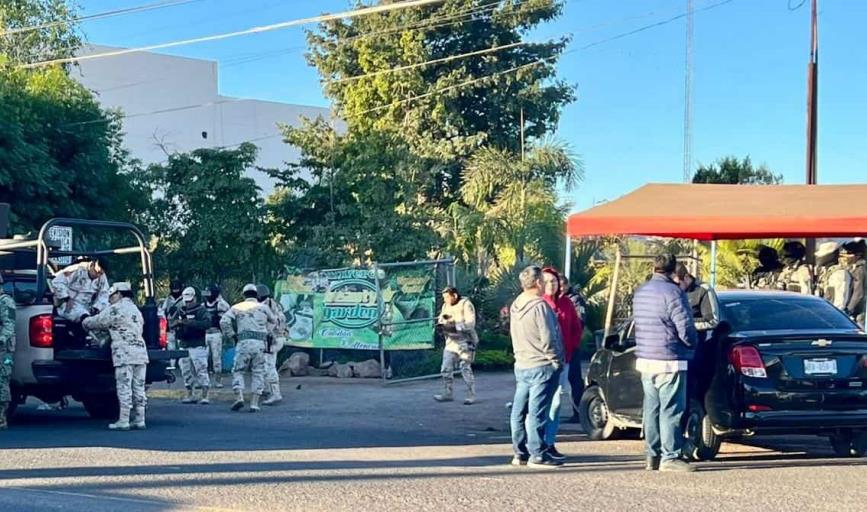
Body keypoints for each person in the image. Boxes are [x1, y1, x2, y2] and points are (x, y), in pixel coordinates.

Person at [633, 254, 698, 473]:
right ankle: (670, 456)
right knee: (671, 409)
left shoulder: (641, 291)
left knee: (651, 409)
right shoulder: (673, 293)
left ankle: (652, 455)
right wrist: (692, 344)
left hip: (645, 358)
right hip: (669, 358)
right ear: (673, 272)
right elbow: (686, 329)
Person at [509, 265, 564, 468]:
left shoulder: (516, 304)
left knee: (519, 411)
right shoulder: (540, 306)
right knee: (537, 412)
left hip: (522, 364)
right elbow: (549, 338)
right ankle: (538, 454)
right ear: (538, 282)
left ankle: (519, 452)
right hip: (541, 365)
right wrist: (556, 361)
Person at [82, 282, 149, 431]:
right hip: (140, 352)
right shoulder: (136, 310)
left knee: (124, 386)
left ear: (118, 294)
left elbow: (97, 321)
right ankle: (140, 419)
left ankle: (123, 420)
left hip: (124, 353)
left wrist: (84, 320)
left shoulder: (115, 309)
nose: (110, 299)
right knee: (139, 387)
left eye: (111, 296)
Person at [541, 268, 583, 461]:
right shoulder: (539, 303)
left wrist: (570, 348)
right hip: (541, 362)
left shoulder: (567, 303)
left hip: (563, 361)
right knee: (540, 403)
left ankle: (549, 442)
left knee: (556, 402)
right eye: (547, 281)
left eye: (554, 281)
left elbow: (576, 328)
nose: (552, 285)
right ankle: (536, 442)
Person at [221, 284, 276, 412]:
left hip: (243, 342)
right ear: (256, 295)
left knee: (238, 370)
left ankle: (239, 397)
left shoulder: (237, 307)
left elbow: (224, 321)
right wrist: (266, 331)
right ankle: (254, 403)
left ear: (244, 295)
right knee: (258, 372)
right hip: (260, 344)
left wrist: (231, 335)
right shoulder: (264, 308)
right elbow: (274, 321)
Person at [434, 286, 479, 405]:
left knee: (465, 367)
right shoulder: (446, 306)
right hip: (451, 341)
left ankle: (471, 394)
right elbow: (441, 319)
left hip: (465, 341)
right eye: (444, 298)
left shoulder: (466, 304)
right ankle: (447, 392)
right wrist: (441, 326)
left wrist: (455, 325)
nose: (445, 300)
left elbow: (470, 324)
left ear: (454, 295)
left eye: (447, 297)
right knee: (445, 367)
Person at [173, 287, 212, 405]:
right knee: (186, 371)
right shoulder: (180, 310)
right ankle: (190, 394)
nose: (188, 303)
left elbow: (207, 324)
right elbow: (172, 322)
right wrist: (177, 323)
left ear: (195, 298)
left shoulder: (201, 310)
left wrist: (189, 323)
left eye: (190, 300)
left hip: (197, 345)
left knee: (201, 369)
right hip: (184, 344)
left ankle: (205, 395)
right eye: (186, 301)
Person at [559, 275, 587, 423]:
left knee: (575, 379)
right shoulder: (556, 299)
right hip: (559, 346)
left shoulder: (575, 300)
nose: (561, 289)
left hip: (572, 345)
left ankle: (578, 412)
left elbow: (580, 321)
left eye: (563, 286)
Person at [51, 259, 110, 323]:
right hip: (70, 304)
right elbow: (57, 282)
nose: (98, 275)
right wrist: (66, 298)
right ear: (92, 264)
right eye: (96, 272)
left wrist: (97, 307)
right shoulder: (77, 269)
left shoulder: (101, 276)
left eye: (101, 274)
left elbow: (104, 293)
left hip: (89, 306)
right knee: (84, 318)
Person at [257, 284, 287, 406]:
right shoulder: (273, 304)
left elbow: (268, 326)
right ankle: (268, 389)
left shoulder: (266, 307)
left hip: (273, 339)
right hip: (278, 337)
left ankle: (275, 393)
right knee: (266, 364)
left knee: (269, 366)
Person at [203, 284, 231, 389]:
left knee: (216, 358)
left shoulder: (221, 304)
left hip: (216, 334)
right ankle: (205, 381)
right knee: (203, 358)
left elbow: (228, 315)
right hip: (205, 334)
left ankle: (218, 380)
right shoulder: (203, 305)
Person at [814, 242, 851, 311]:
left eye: (822, 256)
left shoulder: (839, 273)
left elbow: (840, 301)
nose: (818, 258)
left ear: (830, 256)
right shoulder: (825, 272)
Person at [0, 275, 16, 430]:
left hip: (3, 350)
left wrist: (1, 339)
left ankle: (1, 417)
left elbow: (9, 325)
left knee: (1, 382)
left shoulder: (5, 301)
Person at [842, 240, 867, 327]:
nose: (846, 256)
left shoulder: (860, 269)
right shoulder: (855, 268)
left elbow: (858, 293)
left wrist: (849, 310)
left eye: (849, 253)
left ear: (858, 255)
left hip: (858, 312)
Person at [159, 279, 184, 356]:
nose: (175, 291)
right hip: (170, 327)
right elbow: (162, 312)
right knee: (171, 347)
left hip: (181, 327)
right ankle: (172, 364)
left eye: (177, 289)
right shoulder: (168, 300)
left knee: (181, 346)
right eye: (174, 289)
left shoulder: (184, 299)